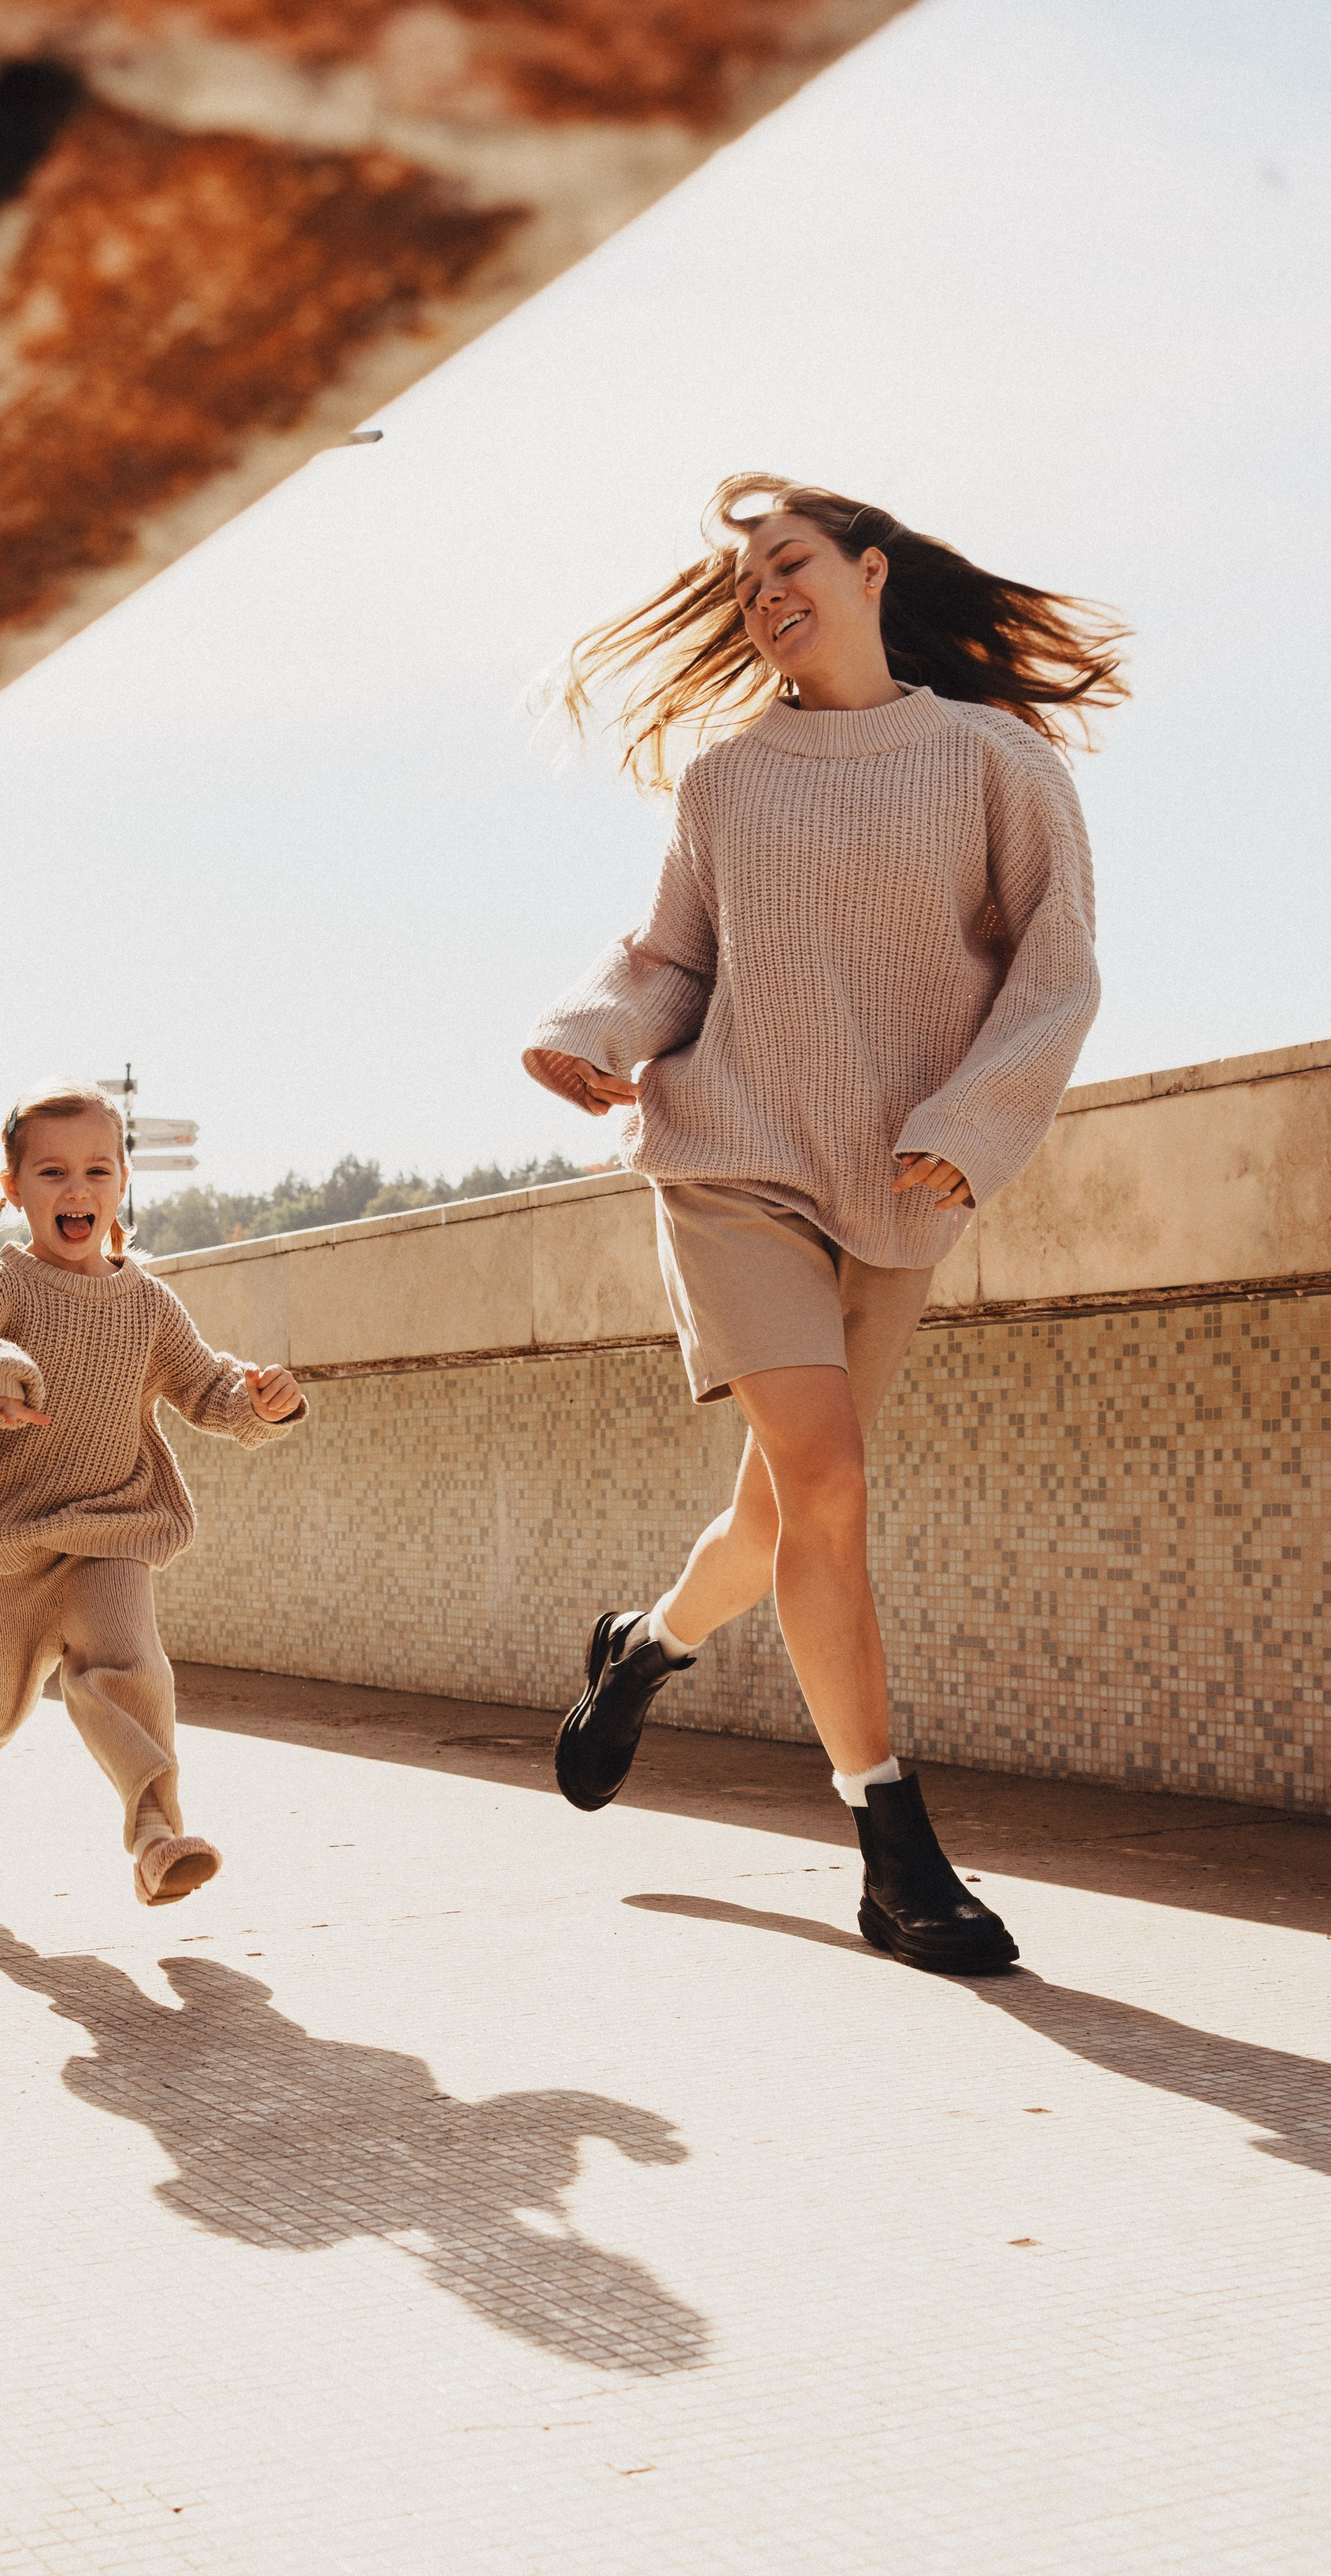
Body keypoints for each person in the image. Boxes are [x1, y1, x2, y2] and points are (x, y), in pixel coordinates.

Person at [525, 474, 1127, 1974]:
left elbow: (1058, 974)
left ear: (869, 572)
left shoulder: (997, 759)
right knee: (832, 1482)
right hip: (733, 1165)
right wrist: (597, 1034)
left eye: (788, 563)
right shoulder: (729, 777)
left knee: (780, 1514)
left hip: (900, 1182)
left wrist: (968, 1129)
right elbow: (677, 956)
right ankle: (893, 1848)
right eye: (748, 584)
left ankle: (646, 1647)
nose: (766, 594)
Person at [0, 1079, 305, 1905]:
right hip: (11, 1550)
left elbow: (206, 1395)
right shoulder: (4, 1285)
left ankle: (157, 1836)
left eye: (96, 1169)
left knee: (129, 1670)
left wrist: (261, 1405)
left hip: (114, 1529)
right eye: (50, 1173)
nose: (76, 1189)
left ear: (123, 1179)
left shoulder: (150, 1304)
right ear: (15, 1191)